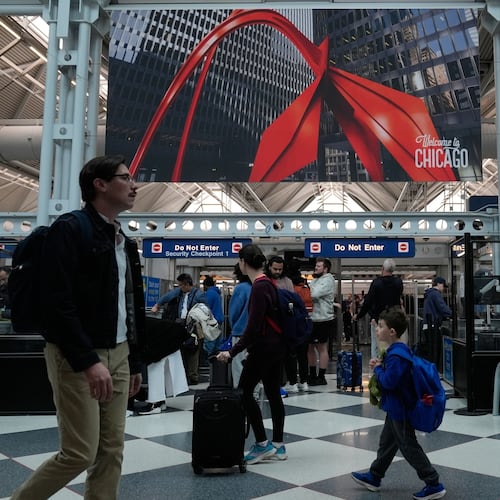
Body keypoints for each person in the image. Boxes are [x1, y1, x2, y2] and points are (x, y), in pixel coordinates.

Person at [11, 155, 146, 500]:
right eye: (126, 178)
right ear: (100, 185)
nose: (135, 185)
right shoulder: (70, 229)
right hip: (77, 356)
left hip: (119, 353)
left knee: (111, 449)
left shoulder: (124, 241)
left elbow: (130, 306)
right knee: (79, 452)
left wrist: (136, 360)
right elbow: (57, 304)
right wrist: (88, 360)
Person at [351, 307, 446, 500]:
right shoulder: (399, 350)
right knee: (387, 443)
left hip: (400, 408)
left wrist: (378, 369)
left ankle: (433, 482)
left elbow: (388, 382)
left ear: (392, 331)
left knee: (408, 446)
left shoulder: (396, 356)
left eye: (381, 326)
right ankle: (374, 476)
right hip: (396, 407)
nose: (377, 329)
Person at [217, 244, 287, 464]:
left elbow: (253, 327)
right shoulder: (269, 284)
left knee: (244, 392)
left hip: (263, 348)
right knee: (274, 393)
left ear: (243, 262)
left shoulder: (258, 287)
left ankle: (261, 444)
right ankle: (278, 445)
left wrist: (232, 351)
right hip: (276, 347)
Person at [151, 273, 206, 385]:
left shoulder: (199, 295)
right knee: (182, 349)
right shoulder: (180, 292)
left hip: (193, 325)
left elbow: (205, 310)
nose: (180, 287)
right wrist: (157, 304)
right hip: (181, 324)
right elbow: (168, 296)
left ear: (186, 284)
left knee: (193, 350)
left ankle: (193, 376)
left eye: (181, 285)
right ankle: (184, 376)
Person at [354, 258, 403, 358]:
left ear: (382, 268)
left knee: (377, 345)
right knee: (392, 344)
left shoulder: (376, 283)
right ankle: (391, 365)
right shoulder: (398, 282)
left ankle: (377, 368)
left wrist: (358, 316)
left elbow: (368, 302)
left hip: (378, 320)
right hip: (394, 319)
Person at [308, 257, 336, 386]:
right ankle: (312, 374)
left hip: (323, 319)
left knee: (322, 348)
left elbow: (313, 294)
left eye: (318, 266)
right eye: (316, 266)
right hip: (312, 318)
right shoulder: (316, 279)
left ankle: (321, 376)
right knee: (310, 347)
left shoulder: (328, 280)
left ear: (326, 269)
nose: (316, 268)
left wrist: (308, 290)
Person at [228, 262, 252, 388]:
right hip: (255, 334)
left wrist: (234, 326)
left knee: (239, 368)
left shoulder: (240, 288)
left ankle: (241, 397)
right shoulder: (257, 286)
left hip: (240, 333)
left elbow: (234, 312)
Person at [423, 277, 452, 368]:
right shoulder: (435, 294)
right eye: (443, 285)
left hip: (427, 326)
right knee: (435, 351)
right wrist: (452, 314)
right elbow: (442, 308)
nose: (443, 289)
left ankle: (430, 369)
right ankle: (434, 370)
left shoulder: (429, 294)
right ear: (439, 284)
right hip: (433, 326)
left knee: (430, 351)